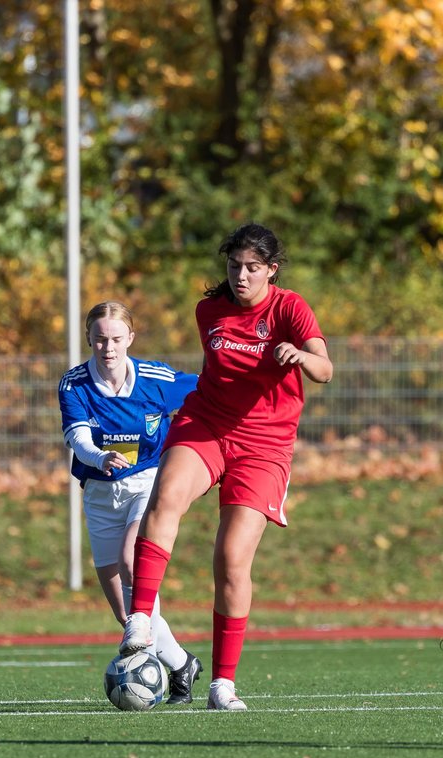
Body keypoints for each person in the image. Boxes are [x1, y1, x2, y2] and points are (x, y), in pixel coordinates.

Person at [117, 223, 333, 711]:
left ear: (271, 271)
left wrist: (300, 355)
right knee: (166, 497)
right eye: (234, 266)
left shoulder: (290, 308)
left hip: (265, 444)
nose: (241, 275)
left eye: (252, 268)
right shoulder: (208, 311)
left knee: (231, 559)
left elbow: (325, 370)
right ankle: (140, 621)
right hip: (207, 424)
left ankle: (222, 685)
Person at [58, 301, 203, 703]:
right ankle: (180, 664)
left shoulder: (156, 378)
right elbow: (78, 438)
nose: (108, 348)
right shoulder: (74, 384)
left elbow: (210, 389)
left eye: (117, 339)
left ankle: (169, 666)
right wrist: (99, 457)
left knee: (131, 559)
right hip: (101, 496)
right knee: (127, 615)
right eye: (100, 339)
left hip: (148, 483)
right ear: (89, 339)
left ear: (131, 339)